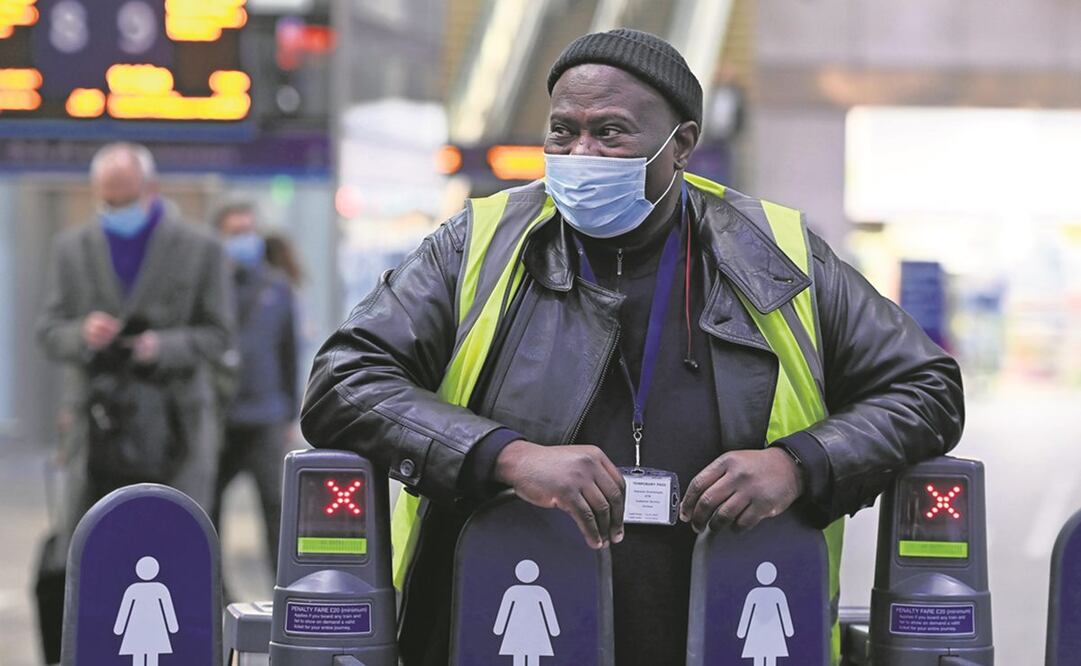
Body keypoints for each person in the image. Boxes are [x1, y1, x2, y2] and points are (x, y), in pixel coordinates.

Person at [301, 29, 964, 666]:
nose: (579, 153)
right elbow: (342, 383)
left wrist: (802, 464)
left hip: (725, 625)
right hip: (494, 625)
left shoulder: (776, 255)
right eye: (562, 130)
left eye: (609, 132)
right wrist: (503, 456)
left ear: (681, 145)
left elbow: (926, 389)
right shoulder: (477, 244)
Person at [37, 142, 234, 536]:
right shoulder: (72, 249)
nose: (115, 210)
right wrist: (83, 333)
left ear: (150, 189)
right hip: (97, 423)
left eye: (124, 200)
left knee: (174, 539)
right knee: (93, 542)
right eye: (107, 201)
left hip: (176, 422)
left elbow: (220, 334)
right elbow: (48, 332)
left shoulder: (201, 249)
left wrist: (161, 347)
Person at [210, 202, 299, 573]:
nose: (243, 239)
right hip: (218, 417)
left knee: (276, 509)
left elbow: (288, 353)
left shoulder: (277, 287)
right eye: (234, 232)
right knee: (208, 507)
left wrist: (292, 415)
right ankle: (215, 591)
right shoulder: (208, 285)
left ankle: (280, 592)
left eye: (248, 231)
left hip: (265, 416)